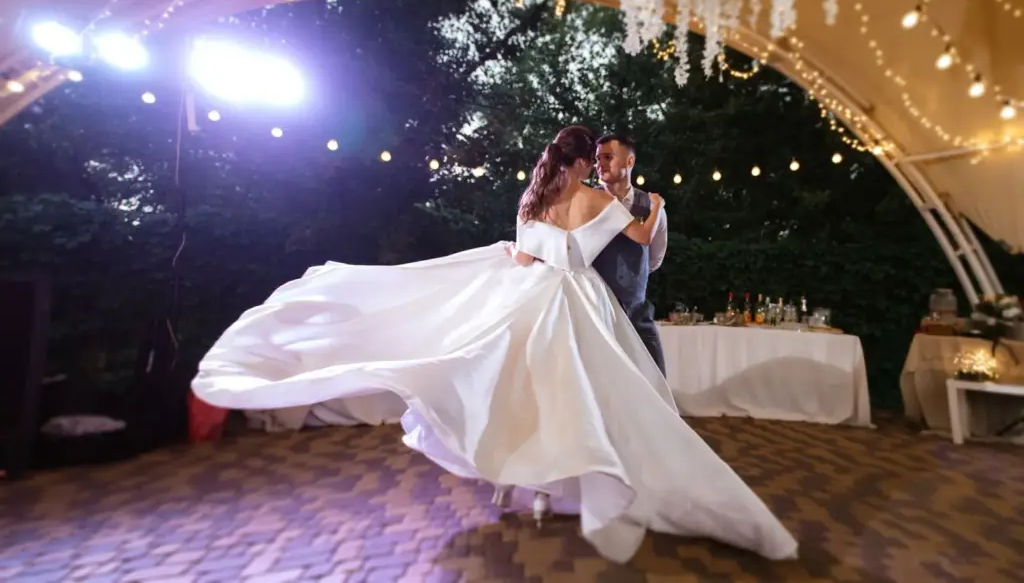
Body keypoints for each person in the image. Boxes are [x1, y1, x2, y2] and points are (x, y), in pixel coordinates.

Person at [191, 125, 798, 564]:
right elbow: (640, 238)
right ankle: (584, 477)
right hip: (581, 305)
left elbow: (526, 255)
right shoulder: (597, 200)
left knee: (532, 390)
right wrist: (657, 204)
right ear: (586, 162)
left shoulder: (532, 200)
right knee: (601, 395)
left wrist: (519, 254)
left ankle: (536, 478)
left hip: (532, 301)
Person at [593, 133, 667, 375]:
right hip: (594, 314)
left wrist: (633, 278)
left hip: (636, 313)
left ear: (629, 162)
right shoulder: (586, 202)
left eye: (608, 157)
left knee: (656, 383)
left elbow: (654, 259)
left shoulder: (652, 206)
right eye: (597, 158)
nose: (600, 163)